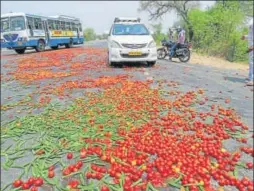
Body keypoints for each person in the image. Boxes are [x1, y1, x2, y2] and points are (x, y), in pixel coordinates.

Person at [241, 18, 253, 86]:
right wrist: (245, 37)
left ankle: (252, 80)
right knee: (251, 62)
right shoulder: (252, 20)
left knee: (252, 63)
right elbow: (251, 35)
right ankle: (250, 77)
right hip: (251, 46)